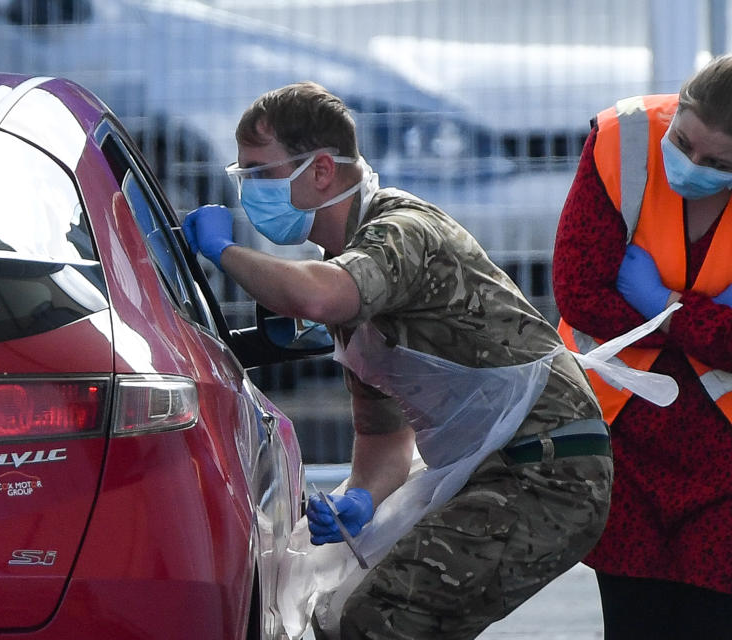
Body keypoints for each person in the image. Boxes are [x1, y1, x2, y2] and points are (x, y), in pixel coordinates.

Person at [182, 81, 613, 640]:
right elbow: (383, 434)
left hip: (548, 468)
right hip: (494, 468)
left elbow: (320, 295)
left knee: (380, 618)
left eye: (259, 173)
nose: (248, 192)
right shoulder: (343, 264)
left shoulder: (401, 232)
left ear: (319, 171)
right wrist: (360, 497)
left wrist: (224, 251)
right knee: (337, 615)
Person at [552, 55, 732, 639]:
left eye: (716, 163)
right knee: (634, 621)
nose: (691, 164)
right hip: (626, 430)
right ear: (677, 107)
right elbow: (580, 292)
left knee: (730, 621)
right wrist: (711, 312)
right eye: (683, 142)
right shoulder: (621, 140)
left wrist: (659, 304)